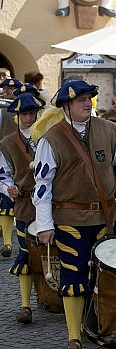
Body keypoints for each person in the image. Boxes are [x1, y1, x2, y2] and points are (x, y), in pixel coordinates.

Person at [33, 79, 116, 349]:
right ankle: (74, 335)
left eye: (89, 98)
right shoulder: (51, 139)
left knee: (105, 276)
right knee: (74, 275)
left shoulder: (109, 130)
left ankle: (101, 326)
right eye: (80, 99)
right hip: (70, 221)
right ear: (66, 106)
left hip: (106, 217)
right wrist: (44, 225)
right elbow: (42, 185)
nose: (87, 103)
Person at [0, 93, 45, 324]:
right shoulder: (7, 143)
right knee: (26, 253)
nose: (29, 117)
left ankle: (53, 298)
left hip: (53, 202)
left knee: (56, 252)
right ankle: (25, 306)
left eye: (32, 113)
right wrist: (9, 187)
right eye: (25, 114)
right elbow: (2, 173)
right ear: (17, 116)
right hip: (25, 204)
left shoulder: (48, 136)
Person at [0, 77, 21, 257]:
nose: (6, 91)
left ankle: (10, 241)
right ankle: (7, 242)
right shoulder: (2, 107)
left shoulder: (26, 107)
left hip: (20, 157)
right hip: (4, 155)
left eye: (10, 89)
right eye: (5, 89)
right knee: (5, 199)